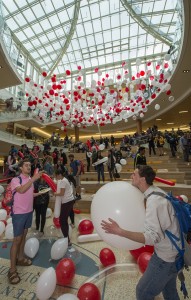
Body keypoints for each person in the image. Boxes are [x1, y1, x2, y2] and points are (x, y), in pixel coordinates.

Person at [101, 165, 181, 300]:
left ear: (142, 179)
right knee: (170, 292)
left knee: (143, 292)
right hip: (175, 252)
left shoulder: (154, 201)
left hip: (165, 258)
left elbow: (151, 237)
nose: (131, 177)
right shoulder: (156, 192)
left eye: (134, 175)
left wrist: (119, 231)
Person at [9, 159, 42, 284]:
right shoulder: (16, 180)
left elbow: (27, 194)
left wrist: (38, 194)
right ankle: (12, 270)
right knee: (17, 240)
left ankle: (21, 258)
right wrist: (33, 178)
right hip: (19, 213)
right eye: (26, 165)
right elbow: (21, 190)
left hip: (28, 212)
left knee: (23, 236)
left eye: (30, 165)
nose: (29, 166)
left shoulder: (29, 180)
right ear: (21, 168)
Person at [54, 170, 75, 246]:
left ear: (59, 175)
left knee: (62, 221)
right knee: (64, 220)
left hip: (67, 202)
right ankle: (66, 238)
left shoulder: (63, 181)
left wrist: (55, 193)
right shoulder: (65, 179)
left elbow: (61, 193)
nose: (56, 177)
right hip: (69, 201)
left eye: (56, 176)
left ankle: (67, 240)